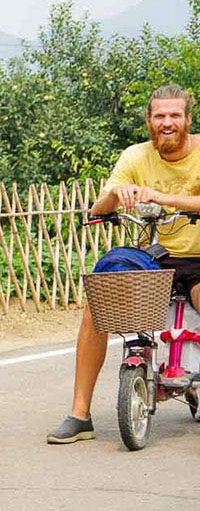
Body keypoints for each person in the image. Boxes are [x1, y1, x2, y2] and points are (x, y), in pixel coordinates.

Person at [48, 84, 200, 444]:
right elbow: (97, 209)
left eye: (174, 115)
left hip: (198, 258)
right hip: (153, 259)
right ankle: (79, 414)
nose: (167, 122)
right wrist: (115, 195)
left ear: (187, 120)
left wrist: (162, 197)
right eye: (159, 115)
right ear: (148, 120)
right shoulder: (135, 155)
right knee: (97, 304)